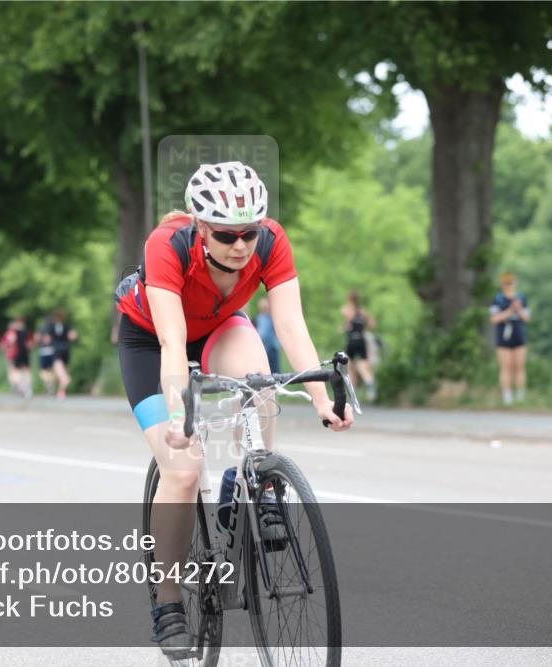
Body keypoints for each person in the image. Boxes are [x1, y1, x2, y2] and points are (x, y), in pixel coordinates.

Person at [113, 161, 353, 657]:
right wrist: (180, 416)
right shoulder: (168, 245)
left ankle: (251, 483)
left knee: (260, 381)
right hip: (153, 340)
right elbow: (173, 341)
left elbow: (290, 325)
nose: (241, 246)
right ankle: (169, 598)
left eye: (249, 232)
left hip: (221, 325)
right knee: (182, 467)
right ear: (202, 228)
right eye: (226, 235)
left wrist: (322, 400)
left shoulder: (270, 241)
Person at [489, 272, 531, 405]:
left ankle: (520, 396)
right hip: (503, 336)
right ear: (502, 284)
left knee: (520, 366)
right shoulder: (498, 299)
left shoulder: (521, 298)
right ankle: (507, 397)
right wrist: (510, 310)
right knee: (506, 366)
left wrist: (518, 309)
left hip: (519, 335)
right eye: (506, 283)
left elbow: (527, 318)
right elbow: (494, 319)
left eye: (511, 282)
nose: (509, 285)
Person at [341, 291, 377, 402]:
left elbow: (348, 321)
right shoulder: (363, 312)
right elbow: (372, 324)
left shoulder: (347, 309)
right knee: (362, 366)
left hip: (352, 341)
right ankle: (369, 383)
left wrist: (344, 327)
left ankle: (353, 393)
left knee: (350, 367)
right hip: (362, 340)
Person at [0, 316, 34, 398]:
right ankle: (26, 386)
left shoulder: (12, 332)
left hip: (15, 354)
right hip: (24, 353)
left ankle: (21, 386)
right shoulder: (27, 332)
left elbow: (4, 344)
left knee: (15, 371)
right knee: (26, 370)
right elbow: (30, 345)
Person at [47, 308, 77, 400]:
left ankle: (62, 386)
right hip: (62, 351)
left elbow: (48, 340)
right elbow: (72, 337)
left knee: (61, 373)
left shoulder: (57, 326)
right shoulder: (62, 326)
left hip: (60, 351)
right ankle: (60, 390)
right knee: (61, 372)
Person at [255, 298, 281, 374]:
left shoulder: (272, 318)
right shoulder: (260, 318)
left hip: (272, 348)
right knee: (265, 371)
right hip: (264, 348)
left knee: (275, 371)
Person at [35, 320, 57, 396]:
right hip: (53, 351)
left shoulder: (41, 328)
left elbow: (37, 338)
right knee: (52, 370)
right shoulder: (54, 328)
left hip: (44, 351)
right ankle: (51, 385)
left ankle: (48, 383)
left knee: (43, 371)